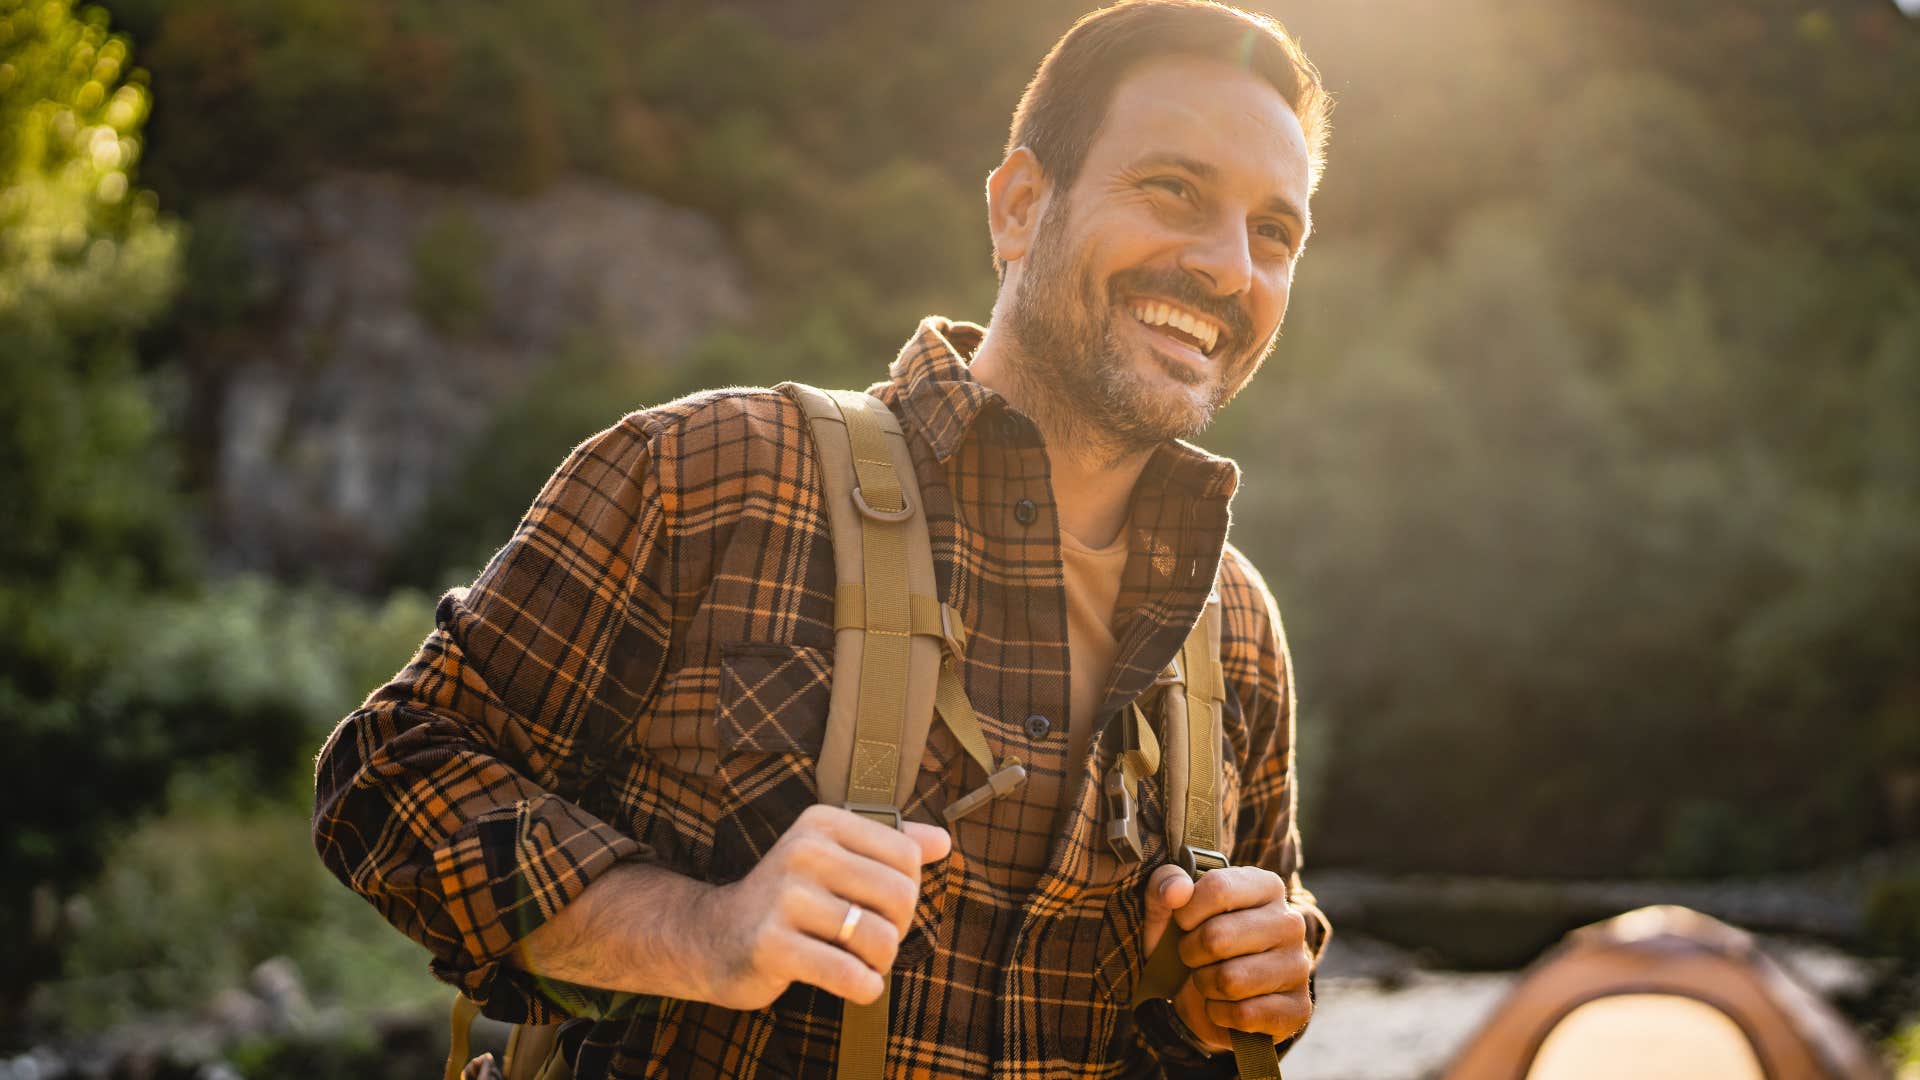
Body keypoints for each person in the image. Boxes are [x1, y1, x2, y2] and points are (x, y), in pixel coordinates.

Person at [313, 1, 1335, 1075]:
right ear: (1022, 208)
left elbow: (1237, 970)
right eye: (1175, 190)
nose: (1229, 268)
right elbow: (388, 776)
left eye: (1275, 232)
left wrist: (1240, 989)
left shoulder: (1239, 632)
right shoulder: (710, 475)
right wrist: (704, 934)